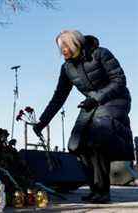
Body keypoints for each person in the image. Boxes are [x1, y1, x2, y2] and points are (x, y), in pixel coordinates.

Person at [33, 30, 134, 203]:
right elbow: (59, 97)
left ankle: (103, 191)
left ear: (76, 42)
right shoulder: (67, 68)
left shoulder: (100, 54)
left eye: (65, 45)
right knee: (76, 144)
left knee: (97, 138)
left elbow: (119, 80)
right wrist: (43, 121)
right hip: (91, 103)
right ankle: (95, 189)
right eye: (60, 47)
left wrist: (96, 98)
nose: (62, 49)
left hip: (115, 99)